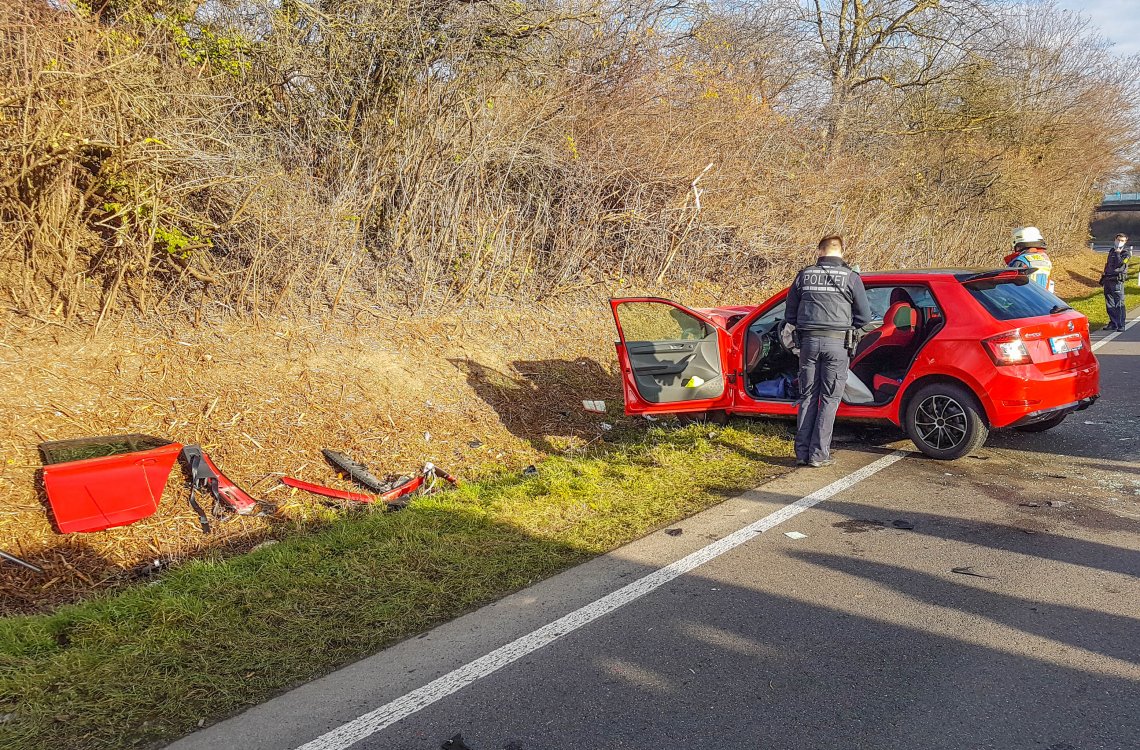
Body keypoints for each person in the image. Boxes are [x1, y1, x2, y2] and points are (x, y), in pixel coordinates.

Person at [784, 235, 872, 468]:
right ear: (842, 251)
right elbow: (864, 317)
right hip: (837, 345)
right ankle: (818, 454)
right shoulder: (851, 278)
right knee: (830, 399)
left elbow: (789, 315)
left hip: (808, 344)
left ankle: (802, 453)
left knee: (808, 396)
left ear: (820, 251)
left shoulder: (804, 276)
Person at [1005, 226, 1054, 293]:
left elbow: (1008, 284)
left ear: (1021, 245)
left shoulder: (1021, 260)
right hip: (1043, 298)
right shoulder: (1045, 259)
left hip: (1024, 298)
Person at [1102, 233, 1132, 332]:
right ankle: (1113, 323)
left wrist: (1118, 253)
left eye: (1122, 240)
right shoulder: (1111, 251)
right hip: (1108, 279)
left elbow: (1120, 264)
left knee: (1119, 303)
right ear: (1115, 239)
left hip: (1117, 281)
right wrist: (1103, 276)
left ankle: (1121, 325)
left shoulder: (1126, 253)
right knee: (1109, 303)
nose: (1119, 242)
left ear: (1125, 242)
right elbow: (1108, 265)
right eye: (1118, 240)